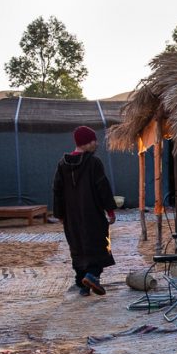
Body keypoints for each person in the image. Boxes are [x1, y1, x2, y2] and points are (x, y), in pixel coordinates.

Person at [53, 126, 117, 296]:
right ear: (86, 143)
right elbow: (103, 187)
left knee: (77, 247)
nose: (96, 143)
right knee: (98, 246)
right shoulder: (93, 162)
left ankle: (83, 287)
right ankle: (91, 276)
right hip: (92, 214)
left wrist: (60, 214)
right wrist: (110, 211)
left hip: (71, 216)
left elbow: (57, 190)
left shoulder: (62, 164)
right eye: (93, 140)